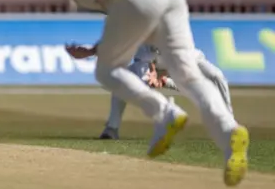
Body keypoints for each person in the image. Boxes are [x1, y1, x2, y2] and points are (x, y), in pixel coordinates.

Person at [30, 0, 248, 187]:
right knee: (188, 74)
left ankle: (165, 113)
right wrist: (92, 49)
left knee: (105, 72)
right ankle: (229, 130)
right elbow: (126, 30)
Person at [66, 43, 233, 139]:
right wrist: (90, 51)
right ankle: (112, 128)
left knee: (217, 76)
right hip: (155, 61)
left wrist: (163, 77)